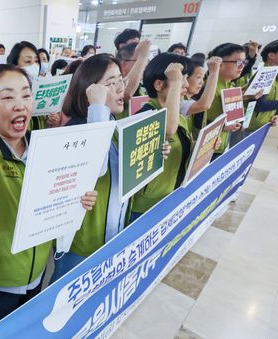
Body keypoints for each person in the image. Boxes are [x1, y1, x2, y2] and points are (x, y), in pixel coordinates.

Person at [0, 29, 97, 333]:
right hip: (0, 278)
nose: (20, 104)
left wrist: (78, 200)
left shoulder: (45, 147)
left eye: (25, 94)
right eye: (6, 97)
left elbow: (58, 195)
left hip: (38, 271)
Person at [50, 54, 168, 282]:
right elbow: (97, 168)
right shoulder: (76, 128)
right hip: (81, 245)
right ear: (90, 89)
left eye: (120, 81)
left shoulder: (114, 126)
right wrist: (97, 107)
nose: (120, 88)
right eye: (111, 83)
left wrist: (152, 153)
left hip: (112, 235)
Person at [130, 53, 195, 222]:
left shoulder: (179, 117)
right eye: (182, 79)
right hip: (145, 207)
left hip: (170, 195)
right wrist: (175, 83)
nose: (186, 85)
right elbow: (168, 129)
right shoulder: (145, 115)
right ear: (159, 84)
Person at [205, 43, 249, 159]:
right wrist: (222, 127)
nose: (242, 66)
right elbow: (194, 122)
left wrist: (238, 124)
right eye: (238, 62)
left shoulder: (231, 86)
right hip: (205, 150)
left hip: (222, 145)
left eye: (244, 62)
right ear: (220, 63)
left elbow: (233, 118)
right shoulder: (207, 88)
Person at [184, 56, 222, 138]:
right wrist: (213, 73)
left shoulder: (191, 99)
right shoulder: (180, 102)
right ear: (184, 78)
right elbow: (205, 105)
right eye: (198, 77)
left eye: (203, 78)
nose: (201, 82)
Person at [246, 40, 278, 133]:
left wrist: (276, 115)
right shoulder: (264, 75)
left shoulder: (275, 74)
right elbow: (259, 105)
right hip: (248, 128)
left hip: (263, 126)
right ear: (271, 55)